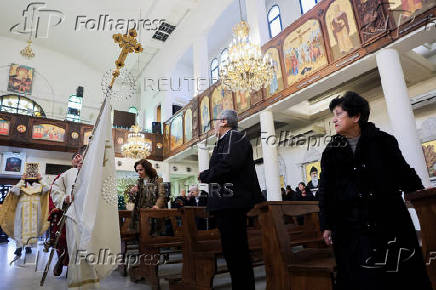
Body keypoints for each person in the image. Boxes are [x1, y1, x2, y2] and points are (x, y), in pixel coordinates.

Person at [318, 91, 432, 290]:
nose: (334, 120)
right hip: (351, 227)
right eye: (333, 116)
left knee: (397, 278)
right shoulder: (331, 151)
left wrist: (422, 196)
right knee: (360, 278)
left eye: (338, 114)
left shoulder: (383, 141)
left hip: (388, 222)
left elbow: (403, 173)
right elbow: (326, 189)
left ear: (356, 117)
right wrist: (326, 224)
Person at [199, 109, 265, 290]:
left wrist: (205, 175)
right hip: (227, 203)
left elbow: (228, 165)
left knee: (236, 252)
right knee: (233, 251)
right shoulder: (227, 140)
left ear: (224, 122)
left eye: (216, 121)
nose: (214, 125)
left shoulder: (234, 137)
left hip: (231, 204)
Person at [48, 150, 84, 276]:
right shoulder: (65, 174)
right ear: (72, 161)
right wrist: (63, 199)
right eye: (76, 158)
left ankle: (73, 267)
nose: (78, 159)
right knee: (64, 240)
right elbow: (55, 190)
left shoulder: (90, 174)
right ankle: (61, 261)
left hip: (84, 214)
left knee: (80, 242)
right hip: (67, 212)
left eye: (81, 158)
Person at [0, 171, 50, 256]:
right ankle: (18, 247)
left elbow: (48, 189)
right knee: (19, 227)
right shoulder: (21, 185)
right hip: (22, 210)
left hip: (35, 210)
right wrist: (22, 180)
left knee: (33, 227)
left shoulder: (39, 186)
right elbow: (13, 191)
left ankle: (28, 246)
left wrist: (41, 179)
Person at [129, 159, 166, 231]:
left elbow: (161, 195)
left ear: (147, 169)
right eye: (137, 170)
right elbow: (135, 199)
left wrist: (157, 205)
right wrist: (133, 192)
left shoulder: (158, 180)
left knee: (153, 236)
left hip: (153, 212)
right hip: (140, 213)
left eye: (141, 170)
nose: (139, 172)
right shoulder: (139, 181)